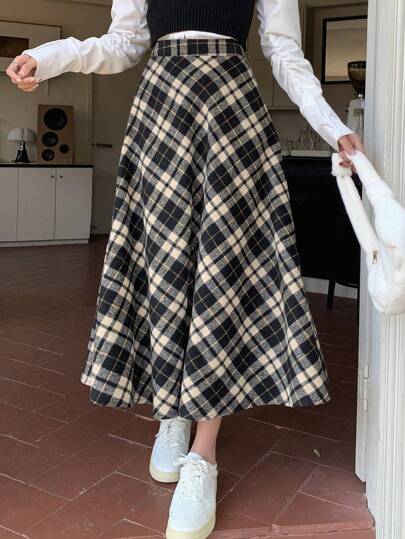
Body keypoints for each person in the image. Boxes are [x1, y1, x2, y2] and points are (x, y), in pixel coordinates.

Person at [7, 1, 364, 538]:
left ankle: (204, 452)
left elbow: (284, 52)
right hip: (162, 114)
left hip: (232, 117)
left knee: (221, 272)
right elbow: (122, 44)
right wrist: (49, 56)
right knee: (164, 268)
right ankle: (172, 412)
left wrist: (332, 127)